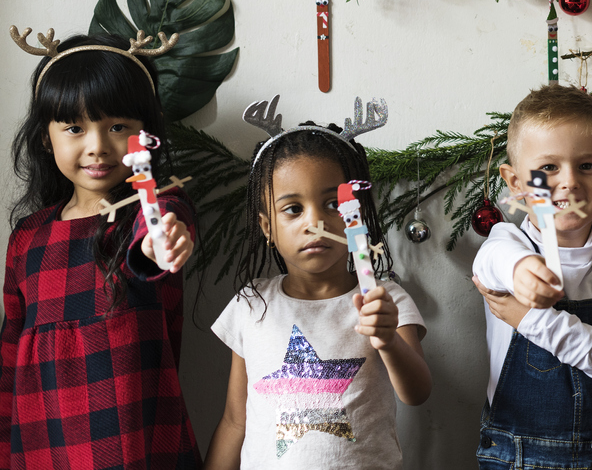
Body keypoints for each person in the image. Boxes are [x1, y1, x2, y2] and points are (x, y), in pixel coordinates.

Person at [2, 29, 200, 469]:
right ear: (45, 137)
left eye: (118, 127)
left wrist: (159, 245)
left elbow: (158, 233)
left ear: (146, 134)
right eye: (75, 128)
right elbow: (9, 358)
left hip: (138, 448)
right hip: (41, 451)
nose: (97, 146)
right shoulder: (27, 238)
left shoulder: (157, 207)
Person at [204, 97, 431, 470]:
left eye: (333, 205)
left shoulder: (384, 299)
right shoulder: (252, 303)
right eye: (293, 209)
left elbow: (417, 393)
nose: (315, 223)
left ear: (356, 217)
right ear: (267, 228)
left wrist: (388, 340)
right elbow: (234, 420)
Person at [471, 84, 592, 470]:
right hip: (518, 457)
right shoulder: (508, 244)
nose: (569, 181)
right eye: (548, 168)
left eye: (587, 166)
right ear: (515, 183)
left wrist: (531, 320)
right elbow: (490, 263)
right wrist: (520, 270)